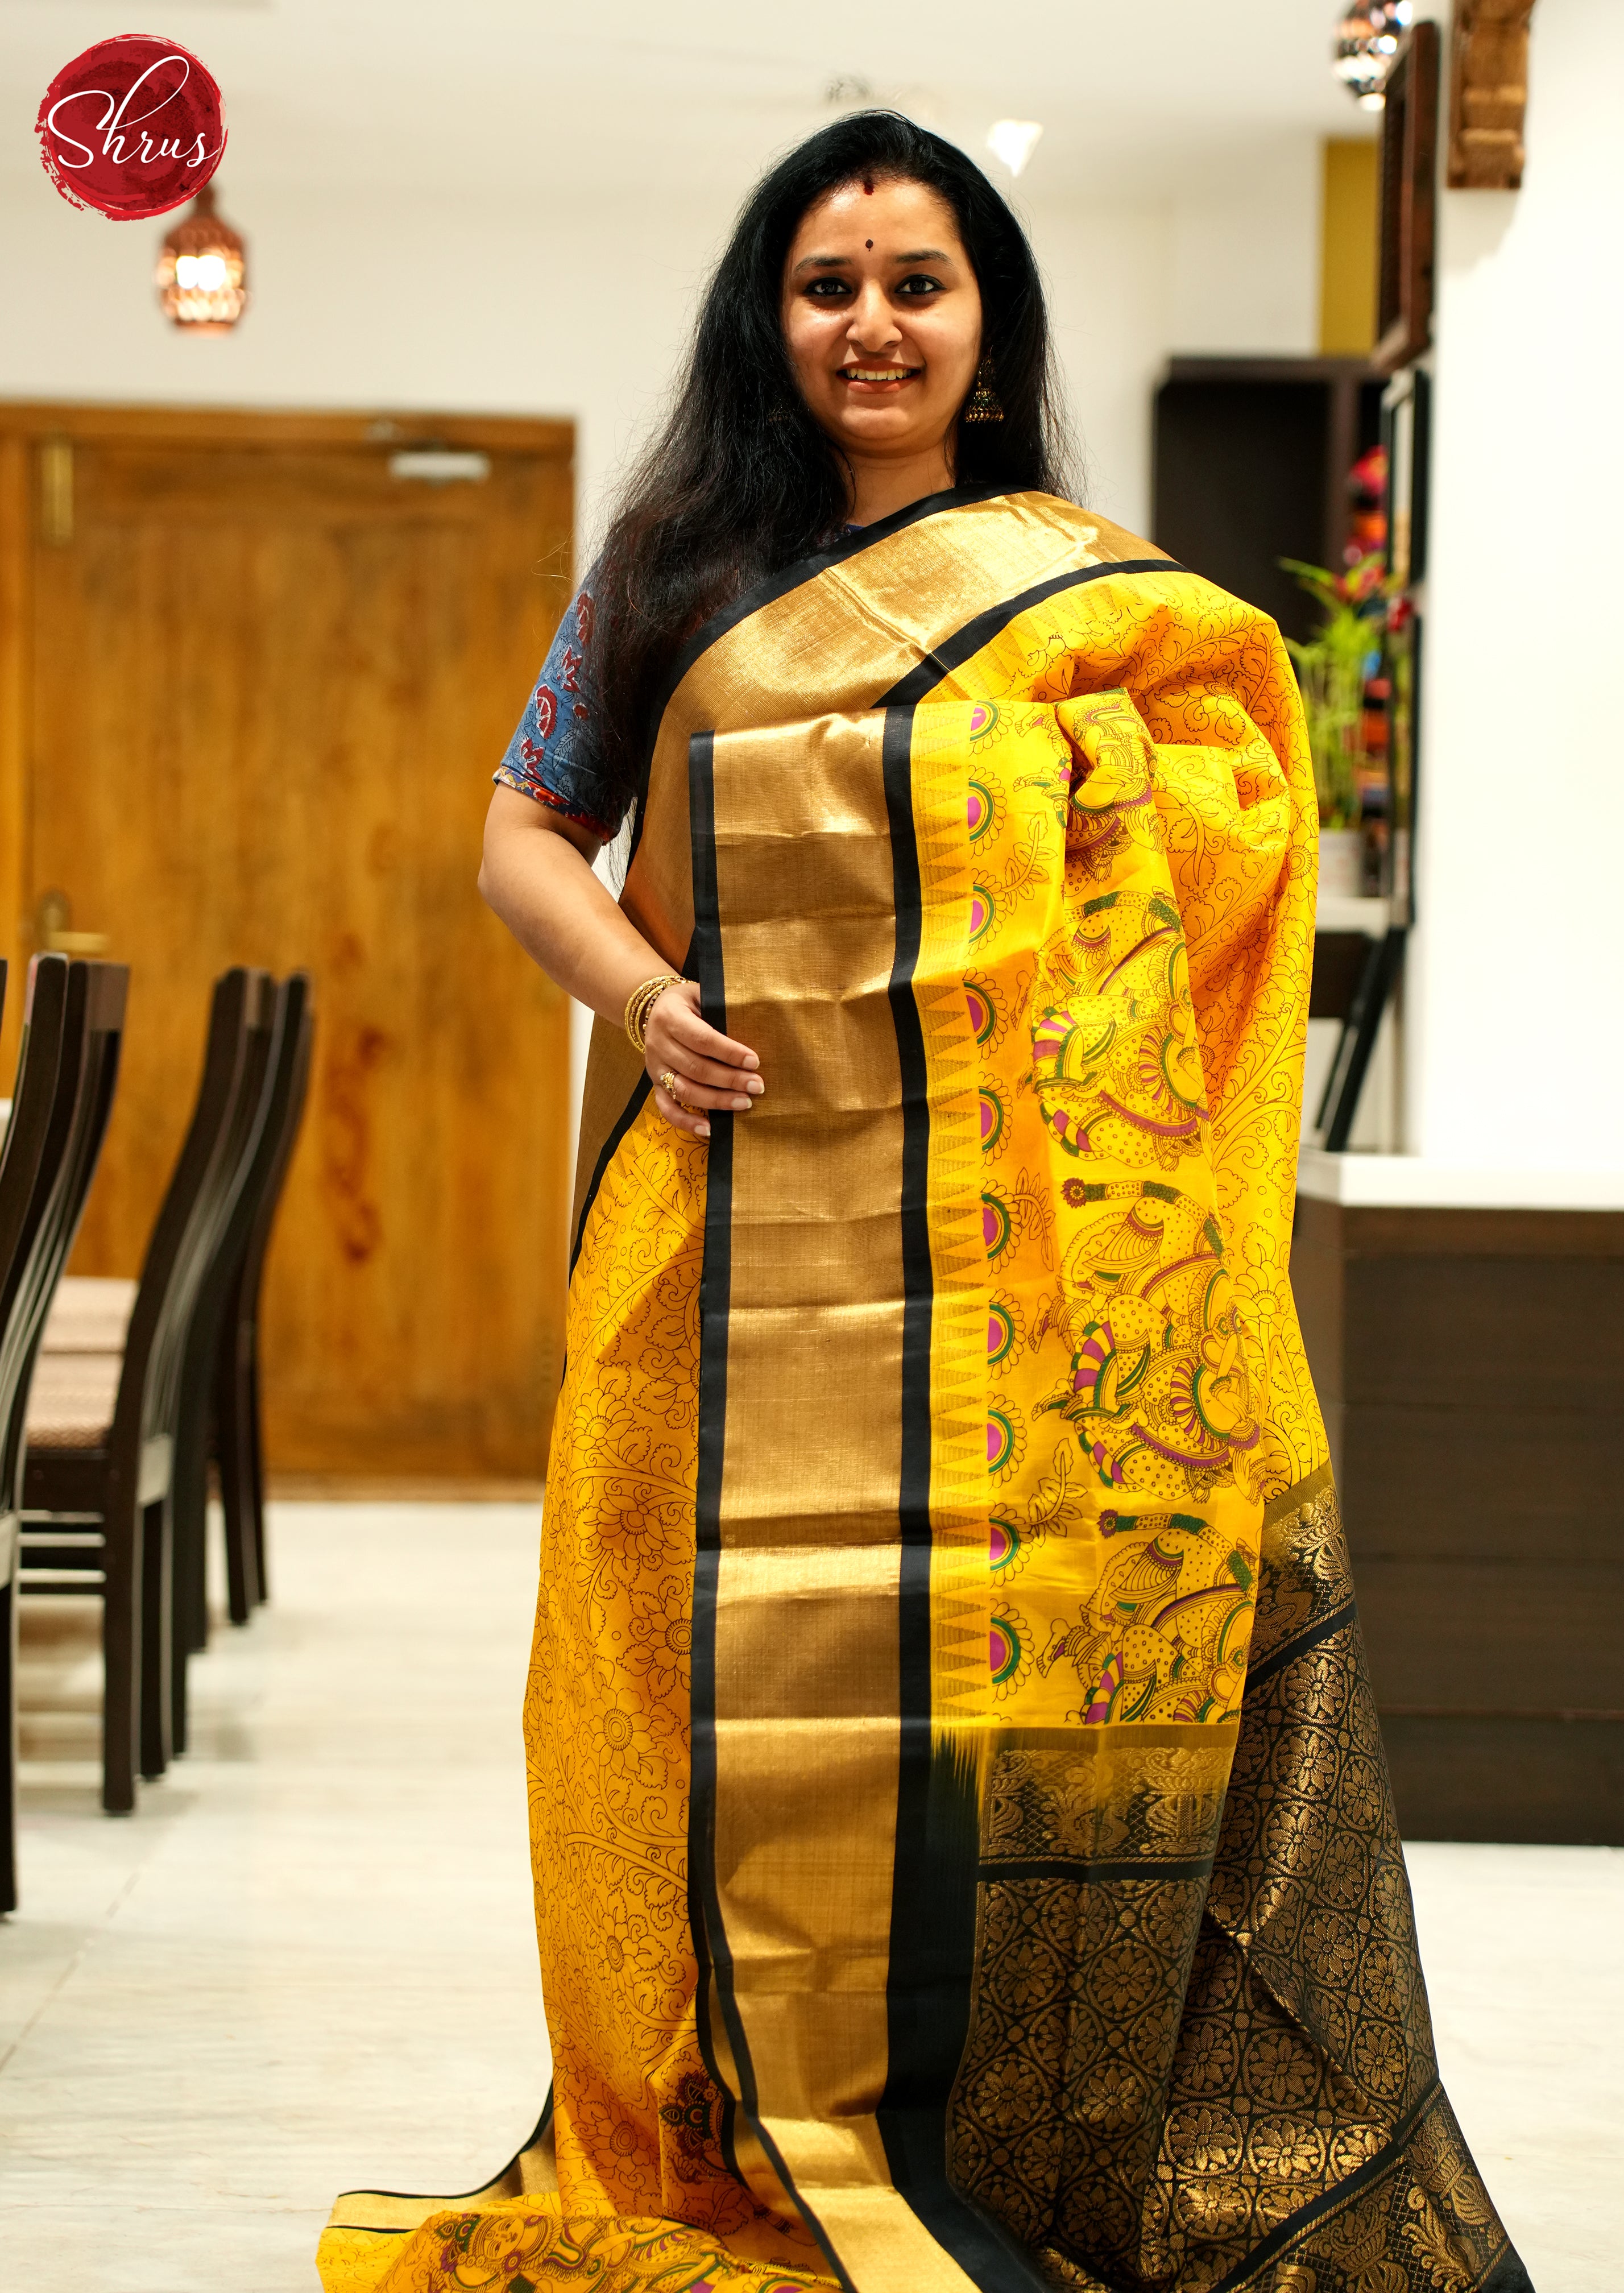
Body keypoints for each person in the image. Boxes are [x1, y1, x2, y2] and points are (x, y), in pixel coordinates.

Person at [318, 113, 1531, 2293]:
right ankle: (726, 2119)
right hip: (715, 1244)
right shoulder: (674, 572)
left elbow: (1222, 841)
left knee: (1011, 1703)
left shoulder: (1079, 595)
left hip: (1019, 1286)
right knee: (689, 1688)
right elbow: (520, 831)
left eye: (915, 282)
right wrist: (648, 988)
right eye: (826, 284)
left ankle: (1020, 2134)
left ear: (987, 324)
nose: (870, 322)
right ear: (766, 320)